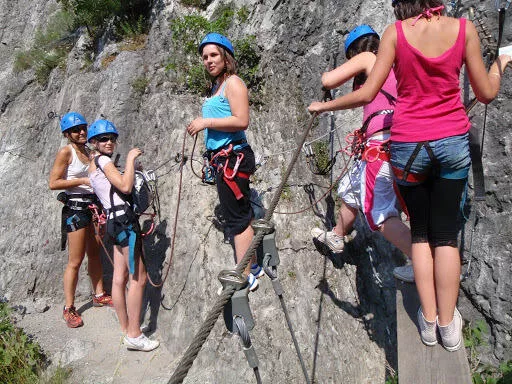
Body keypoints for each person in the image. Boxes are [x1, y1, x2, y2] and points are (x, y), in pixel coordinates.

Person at [308, 0, 511, 351]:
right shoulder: (463, 29)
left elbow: (367, 92)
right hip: (450, 142)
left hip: (408, 145)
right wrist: (500, 64)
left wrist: (325, 105)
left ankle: (429, 323)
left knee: (419, 232)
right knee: (445, 236)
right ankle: (449, 328)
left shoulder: (395, 34)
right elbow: (486, 92)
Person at [310, 25, 414, 283]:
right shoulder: (394, 66)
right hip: (391, 143)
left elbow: (328, 81)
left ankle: (424, 261)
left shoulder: (370, 58)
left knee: (378, 214)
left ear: (355, 51)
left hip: (381, 146)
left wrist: (322, 104)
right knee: (352, 192)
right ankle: (337, 234)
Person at [187, 33, 262, 290]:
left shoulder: (233, 84)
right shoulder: (215, 88)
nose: (208, 61)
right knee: (240, 214)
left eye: (214, 55)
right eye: (205, 57)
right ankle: (252, 266)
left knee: (237, 219)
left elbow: (242, 120)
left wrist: (205, 122)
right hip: (224, 159)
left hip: (234, 158)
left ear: (225, 57)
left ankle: (243, 277)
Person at [88, 119, 159, 352]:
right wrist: (130, 159)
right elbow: (126, 187)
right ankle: (135, 334)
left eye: (112, 138)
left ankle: (125, 328)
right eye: (103, 139)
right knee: (138, 278)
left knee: (119, 278)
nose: (109, 142)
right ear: (94, 142)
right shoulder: (105, 161)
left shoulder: (93, 164)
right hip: (125, 223)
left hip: (112, 222)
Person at [49, 112, 113, 328]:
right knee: (75, 260)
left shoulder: (89, 152)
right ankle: (69, 307)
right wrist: (83, 180)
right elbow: (53, 183)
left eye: (84, 128)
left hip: (93, 207)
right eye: (77, 130)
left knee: (95, 254)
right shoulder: (66, 152)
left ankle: (99, 294)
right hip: (75, 209)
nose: (82, 132)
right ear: (68, 134)